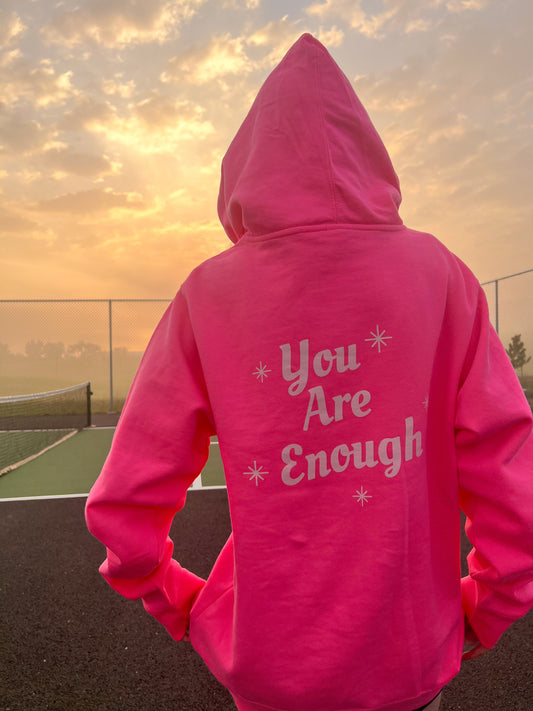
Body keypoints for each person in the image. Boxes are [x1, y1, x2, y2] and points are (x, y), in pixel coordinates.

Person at [85, 34, 533, 711]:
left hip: (269, 675)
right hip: (409, 666)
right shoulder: (439, 276)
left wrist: (181, 603)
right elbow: (510, 486)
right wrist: (482, 608)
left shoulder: (208, 296)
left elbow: (124, 506)